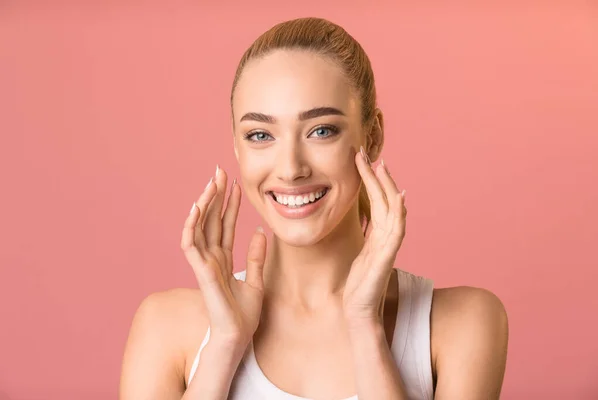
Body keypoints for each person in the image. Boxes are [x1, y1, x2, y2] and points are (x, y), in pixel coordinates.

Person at [119, 17, 509, 400]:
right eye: (260, 135)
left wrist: (364, 324)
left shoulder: (461, 324)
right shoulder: (165, 328)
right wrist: (223, 344)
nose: (290, 169)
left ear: (371, 138)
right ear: (237, 147)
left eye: (321, 131)